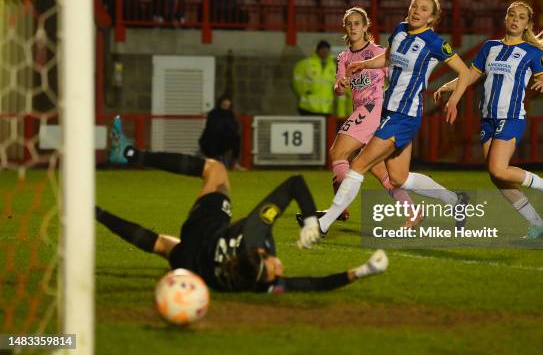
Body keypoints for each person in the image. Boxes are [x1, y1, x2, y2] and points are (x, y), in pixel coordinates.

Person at [100, 116, 389, 293]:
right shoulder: (245, 282)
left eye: (274, 267)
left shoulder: (255, 233)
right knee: (162, 246)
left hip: (205, 227)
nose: (280, 268)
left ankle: (128, 154)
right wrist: (361, 272)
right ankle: (96, 212)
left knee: (215, 170)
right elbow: (311, 285)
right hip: (193, 262)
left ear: (261, 254)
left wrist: (312, 221)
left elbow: (294, 183)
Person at [299, 0, 471, 247]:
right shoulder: (400, 30)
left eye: (424, 9)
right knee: (398, 177)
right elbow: (388, 57)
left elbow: (465, 72)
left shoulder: (435, 42)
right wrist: (364, 65)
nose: (416, 11)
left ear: (432, 17)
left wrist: (453, 100)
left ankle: (324, 224)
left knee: (359, 164)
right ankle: (455, 200)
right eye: (414, 6)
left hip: (405, 114)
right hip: (390, 111)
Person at [434, 1, 543, 239]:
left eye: (521, 17)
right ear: (505, 19)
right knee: (497, 176)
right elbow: (471, 75)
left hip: (511, 116)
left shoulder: (532, 52)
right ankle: (538, 224)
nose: (515, 19)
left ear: (527, 25)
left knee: (498, 168)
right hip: (488, 119)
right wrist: (449, 86)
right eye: (511, 15)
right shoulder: (490, 47)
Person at [327, 6, 419, 225]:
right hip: (362, 111)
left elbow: (396, 75)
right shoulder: (344, 57)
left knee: (337, 151)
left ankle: (340, 207)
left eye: (357, 23)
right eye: (349, 24)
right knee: (378, 170)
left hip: (373, 108)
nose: (353, 27)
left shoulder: (378, 52)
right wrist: (340, 86)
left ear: (366, 26)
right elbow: (339, 87)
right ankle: (413, 211)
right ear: (345, 28)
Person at [292, 40, 350, 116]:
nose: (324, 52)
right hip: (308, 107)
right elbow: (297, 81)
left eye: (326, 50)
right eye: (322, 49)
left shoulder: (332, 66)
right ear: (317, 50)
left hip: (326, 109)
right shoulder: (305, 64)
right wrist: (304, 93)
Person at [198, 95, 242, 170]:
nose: (226, 105)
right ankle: (216, 160)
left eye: (227, 104)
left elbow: (234, 127)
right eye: (224, 104)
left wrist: (230, 132)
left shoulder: (230, 115)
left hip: (224, 139)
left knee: (236, 139)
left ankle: (234, 163)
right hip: (211, 140)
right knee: (212, 138)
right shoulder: (213, 114)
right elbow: (212, 128)